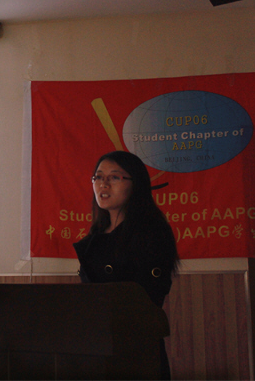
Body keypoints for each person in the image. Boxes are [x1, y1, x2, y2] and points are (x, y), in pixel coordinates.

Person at [73, 150, 179, 380]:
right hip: (97, 348)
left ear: (135, 184)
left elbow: (147, 298)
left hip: (136, 350)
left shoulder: (152, 234)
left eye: (114, 177)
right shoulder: (94, 239)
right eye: (98, 177)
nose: (103, 184)